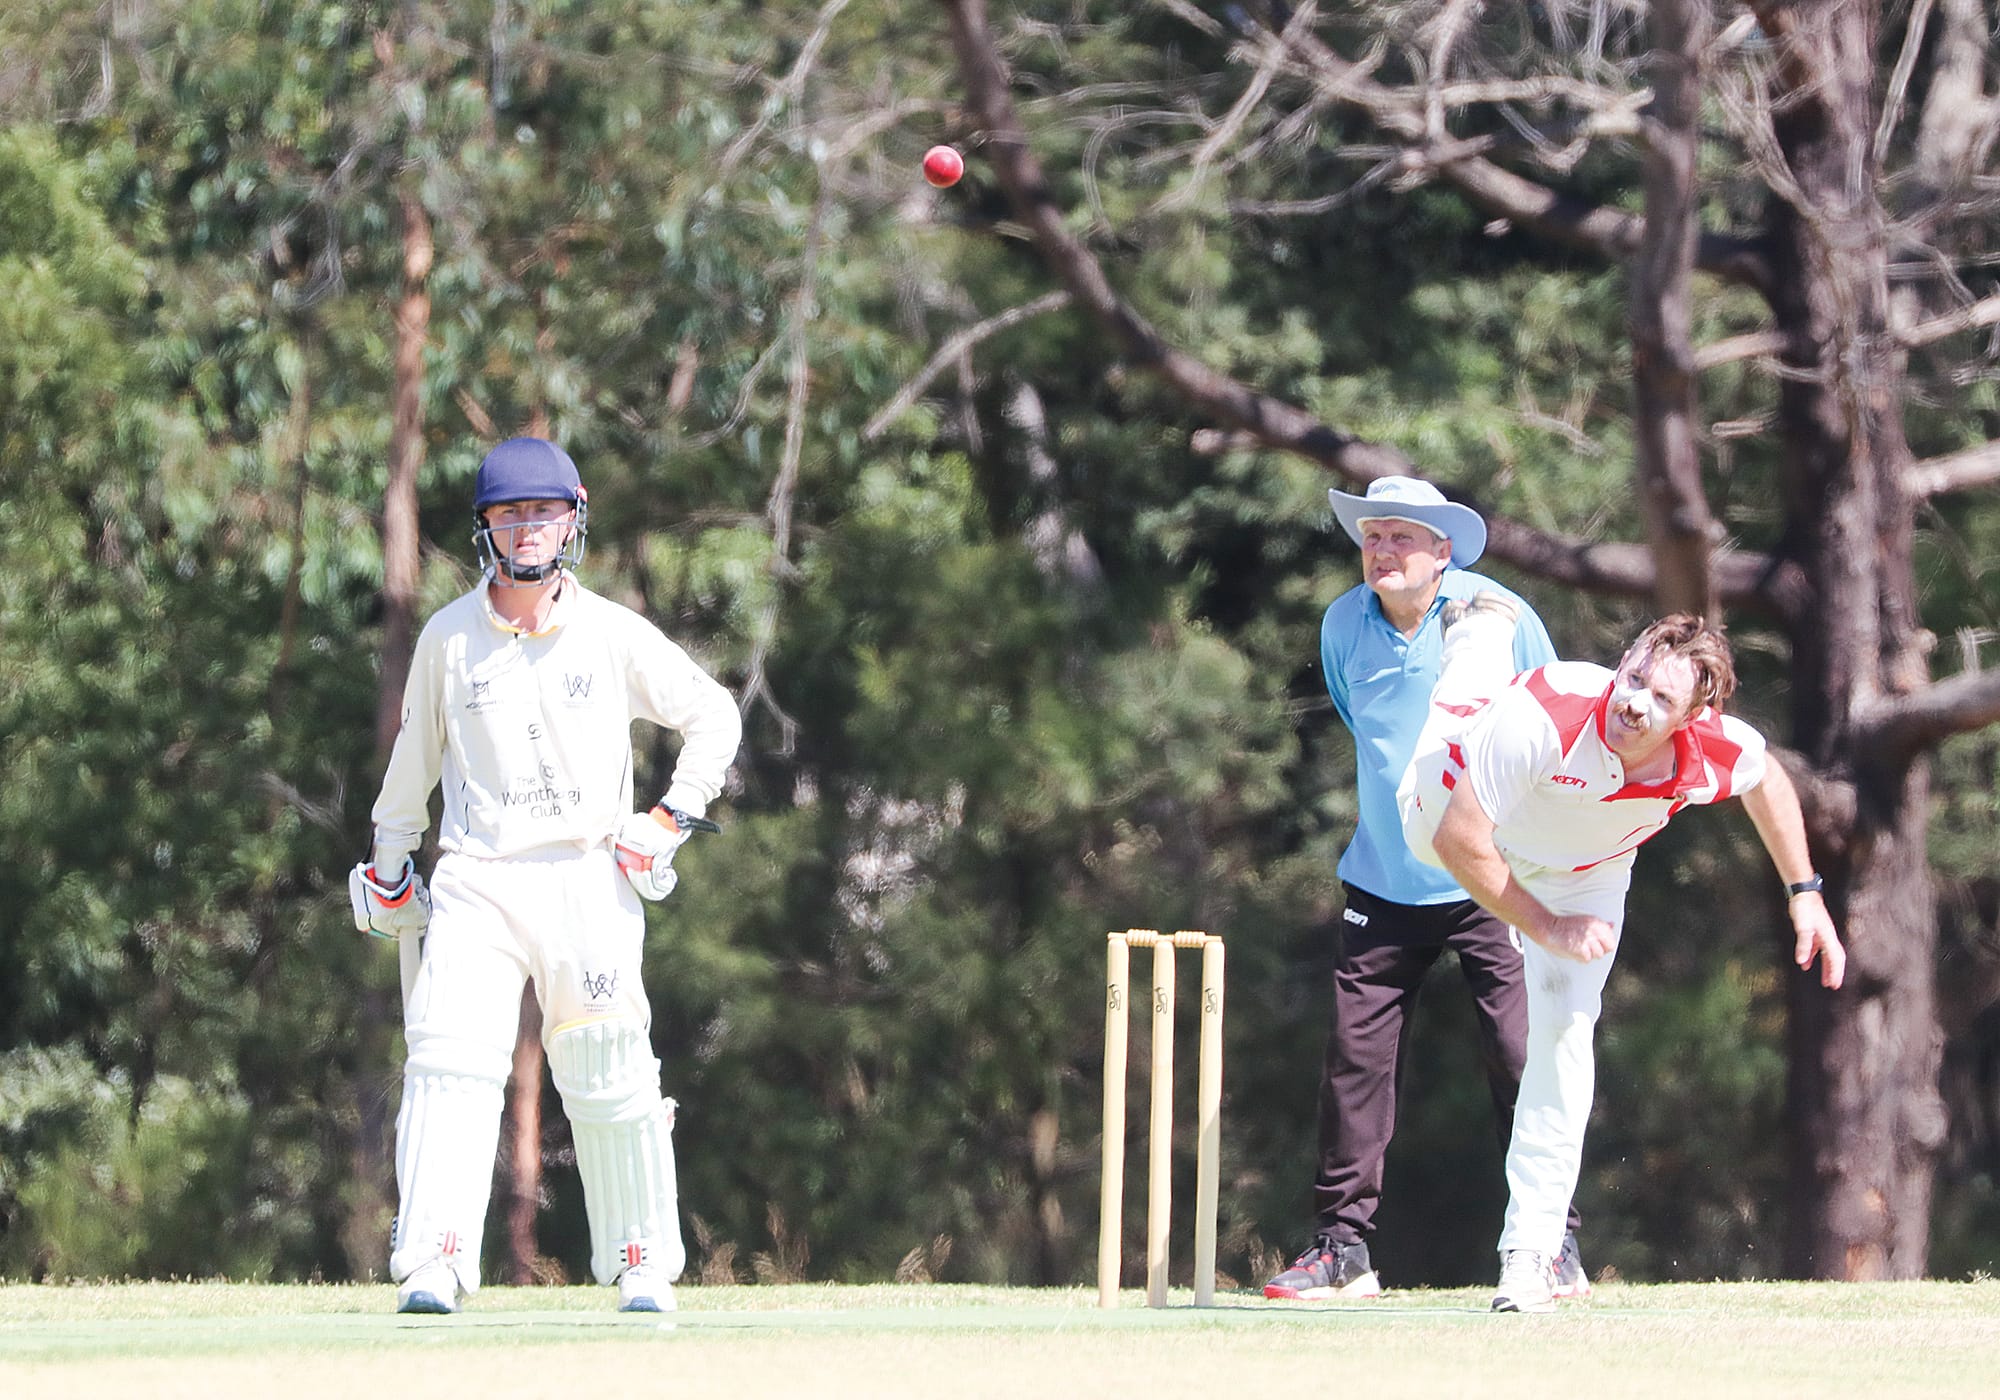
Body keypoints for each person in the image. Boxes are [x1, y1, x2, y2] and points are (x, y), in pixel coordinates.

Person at [346, 436, 742, 1315]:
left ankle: (643, 1262)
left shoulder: (607, 631)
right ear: (486, 527)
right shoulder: (450, 639)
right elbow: (410, 769)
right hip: (476, 880)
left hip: (586, 877)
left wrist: (670, 819)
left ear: (574, 517)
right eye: (510, 514)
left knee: (608, 1068)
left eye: (544, 512)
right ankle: (434, 1260)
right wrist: (386, 867)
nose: (529, 529)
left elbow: (714, 715)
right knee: (449, 1064)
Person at [1397, 607, 1845, 1313]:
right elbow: (1459, 843)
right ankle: (1478, 632)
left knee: (1566, 1035)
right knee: (1462, 705)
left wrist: (1805, 893)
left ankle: (1529, 1256)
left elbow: (1768, 781)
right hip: (1453, 816)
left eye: (1660, 699)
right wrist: (1544, 925)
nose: (1633, 702)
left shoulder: (1712, 749)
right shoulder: (1550, 710)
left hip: (1587, 872)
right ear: (1624, 660)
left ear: (1695, 714)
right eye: (1632, 677)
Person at [1264, 476, 1586, 1302]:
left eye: (1403, 537)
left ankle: (1551, 1245)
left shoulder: (1499, 617)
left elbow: (1556, 725)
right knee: (1354, 1061)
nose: (1383, 551)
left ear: (1443, 551)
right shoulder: (1344, 624)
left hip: (1493, 876)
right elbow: (1367, 735)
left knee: (1522, 1055)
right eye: (1373, 536)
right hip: (1384, 875)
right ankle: (1342, 1251)